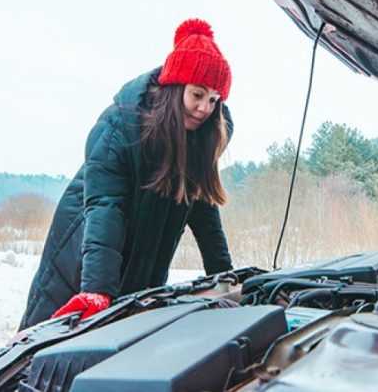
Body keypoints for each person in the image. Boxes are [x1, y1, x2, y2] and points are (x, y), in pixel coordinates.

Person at [19, 18, 235, 330]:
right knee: (46, 349)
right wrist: (96, 289)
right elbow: (106, 207)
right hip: (83, 260)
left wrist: (223, 274)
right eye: (197, 95)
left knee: (118, 343)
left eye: (214, 100)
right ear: (176, 88)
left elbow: (202, 211)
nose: (204, 108)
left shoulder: (198, 140)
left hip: (143, 262)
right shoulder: (122, 127)